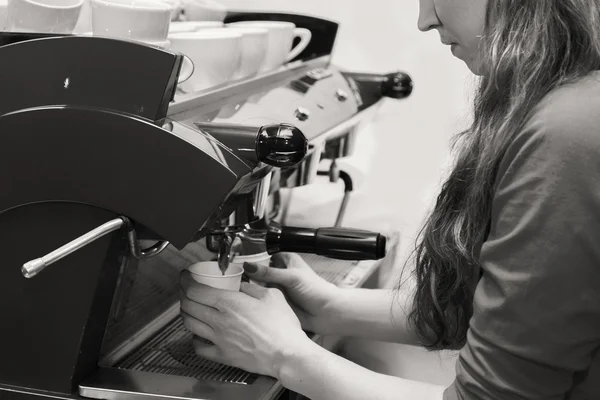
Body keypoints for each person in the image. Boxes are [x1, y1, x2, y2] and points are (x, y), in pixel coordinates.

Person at [180, 0, 600, 398]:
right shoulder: (568, 99)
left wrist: (286, 356)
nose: (425, 20)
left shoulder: (565, 132)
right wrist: (331, 306)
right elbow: (515, 323)